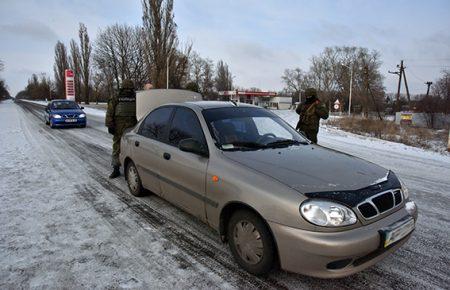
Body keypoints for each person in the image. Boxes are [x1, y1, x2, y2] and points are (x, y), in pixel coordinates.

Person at [105, 79, 137, 178]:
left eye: (129, 89)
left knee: (119, 147)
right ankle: (116, 168)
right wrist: (110, 125)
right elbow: (110, 112)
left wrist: (110, 125)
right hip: (127, 126)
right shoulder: (117, 97)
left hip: (130, 126)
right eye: (127, 88)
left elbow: (109, 112)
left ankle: (119, 169)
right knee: (118, 147)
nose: (128, 90)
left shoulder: (135, 97)